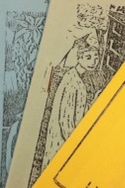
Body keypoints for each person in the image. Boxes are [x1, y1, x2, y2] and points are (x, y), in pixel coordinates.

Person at [39, 38, 99, 175]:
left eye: (96, 58)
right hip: (63, 140)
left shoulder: (78, 79)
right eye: (88, 57)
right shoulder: (72, 81)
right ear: (79, 58)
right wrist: (73, 146)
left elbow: (79, 111)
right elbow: (66, 121)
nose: (93, 62)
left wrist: (94, 101)